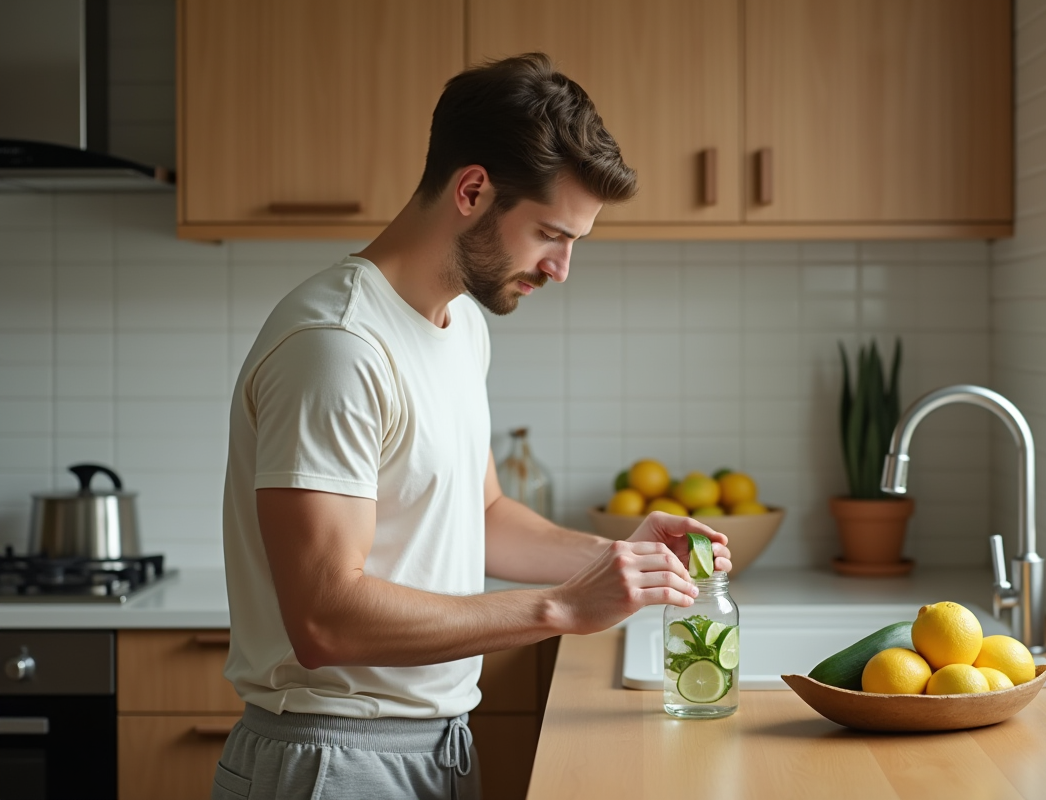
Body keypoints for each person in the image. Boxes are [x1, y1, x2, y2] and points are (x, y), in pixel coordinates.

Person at [212, 52, 733, 800]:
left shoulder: (458, 326)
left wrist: (618, 556)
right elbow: (323, 619)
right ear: (473, 189)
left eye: (575, 242)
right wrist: (561, 608)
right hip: (333, 759)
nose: (561, 268)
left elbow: (482, 518)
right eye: (552, 234)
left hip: (436, 747)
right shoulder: (337, 345)